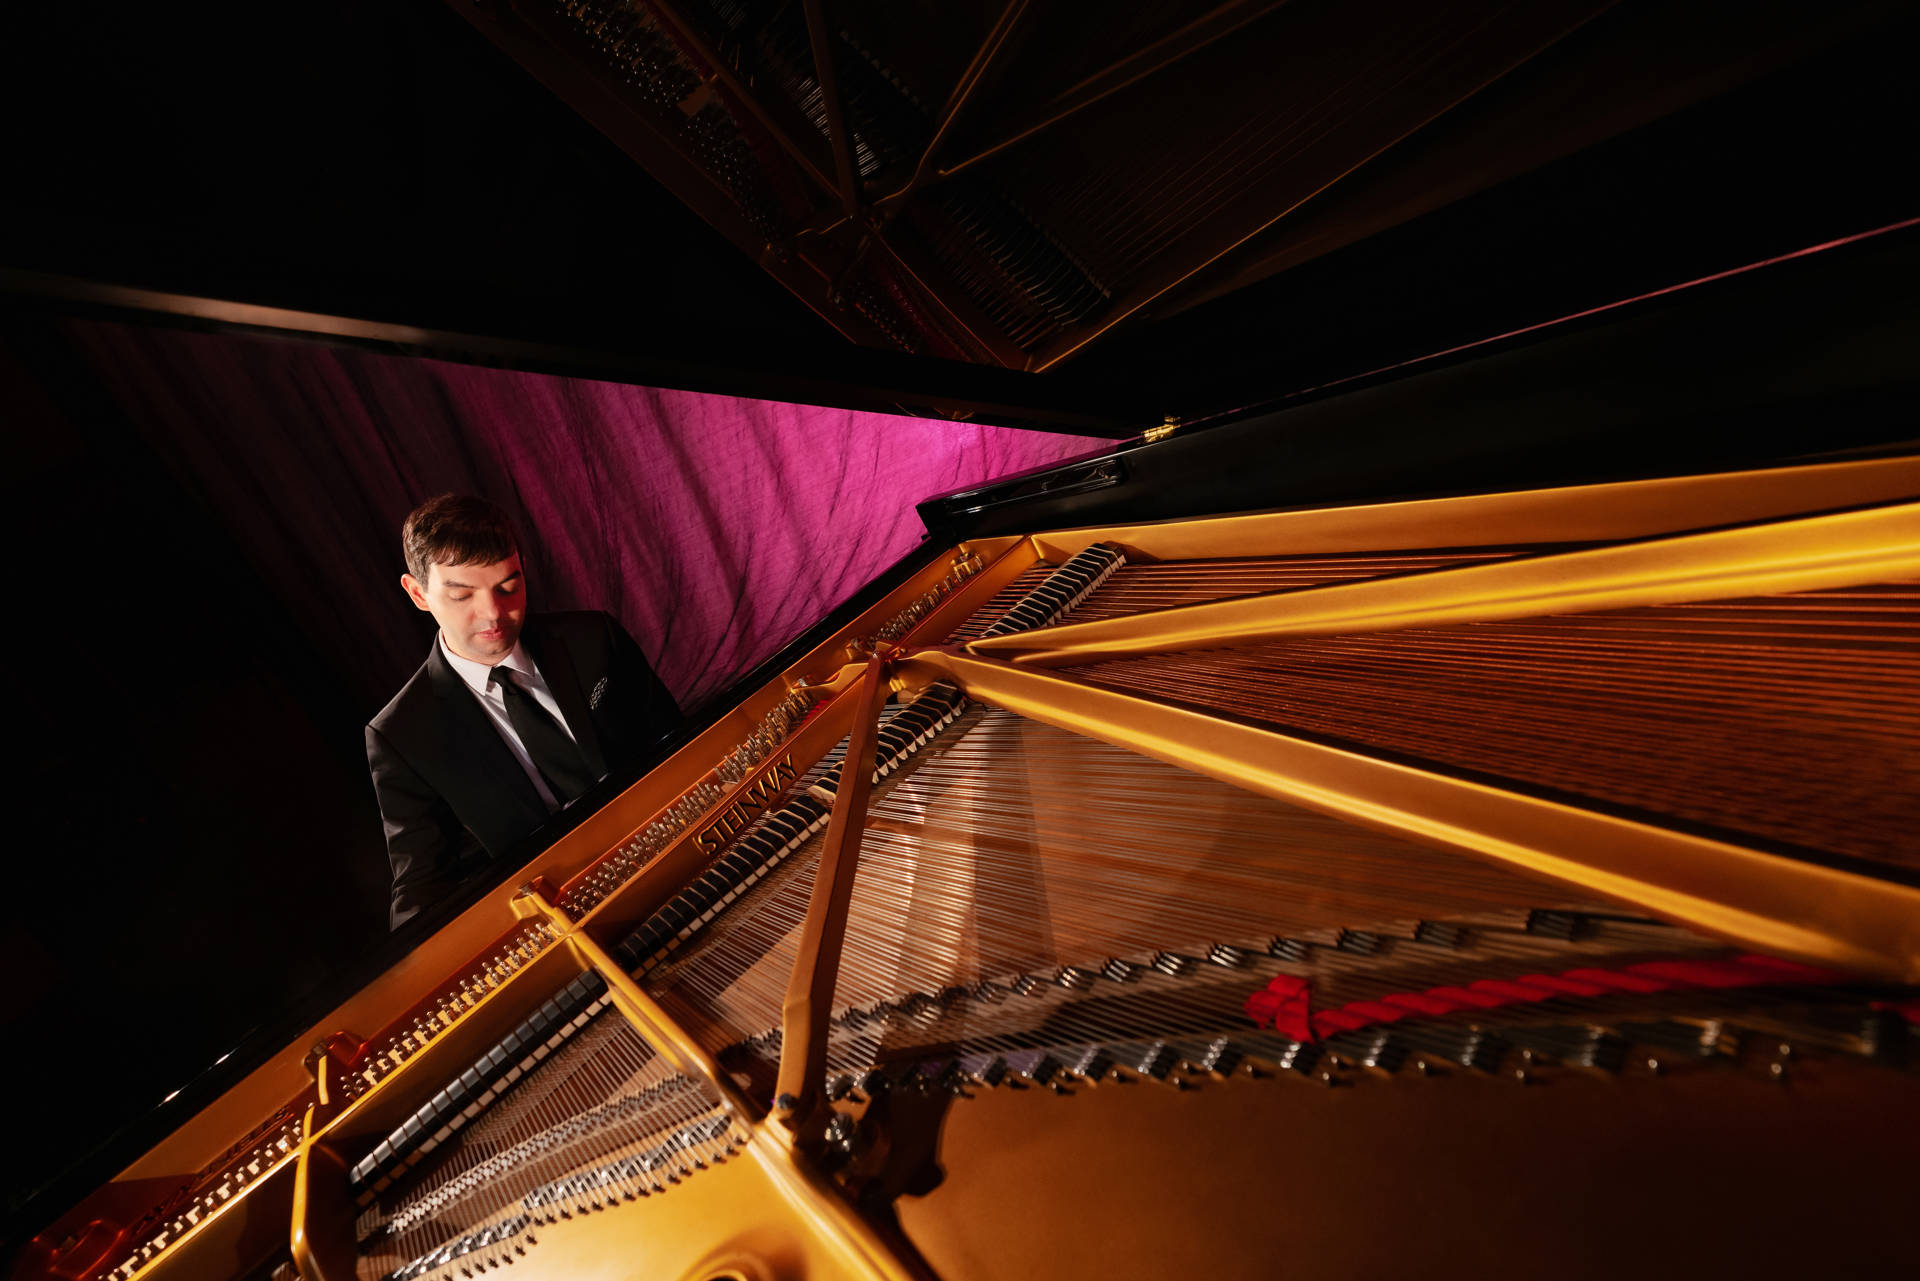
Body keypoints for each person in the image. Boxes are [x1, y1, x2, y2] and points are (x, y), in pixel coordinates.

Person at [367, 495, 681, 928]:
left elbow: (682, 743)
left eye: (508, 586)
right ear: (418, 593)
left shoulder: (593, 640)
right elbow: (422, 884)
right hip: (562, 920)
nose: (494, 614)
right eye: (462, 595)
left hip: (674, 851)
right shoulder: (402, 734)